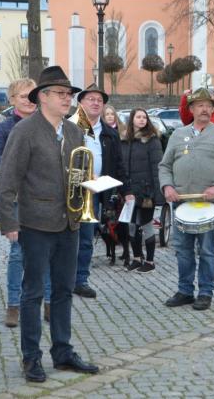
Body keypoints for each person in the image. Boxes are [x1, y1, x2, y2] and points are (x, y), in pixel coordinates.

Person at [0, 66, 100, 383]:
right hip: (36, 224)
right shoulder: (24, 131)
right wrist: (9, 223)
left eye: (69, 94)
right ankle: (31, 357)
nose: (67, 99)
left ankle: (62, 351)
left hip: (69, 223)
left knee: (64, 290)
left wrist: (91, 184)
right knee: (33, 293)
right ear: (42, 97)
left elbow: (79, 175)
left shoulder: (74, 132)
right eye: (60, 94)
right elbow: (7, 181)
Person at [159, 88, 214, 311]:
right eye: (200, 105)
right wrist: (167, 186)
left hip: (207, 203)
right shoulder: (178, 134)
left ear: (213, 110)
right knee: (183, 249)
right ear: (192, 109)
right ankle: (185, 290)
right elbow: (165, 166)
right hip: (181, 202)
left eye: (208, 106)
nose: (205, 109)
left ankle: (205, 292)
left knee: (206, 250)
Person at [0, 78, 53, 327]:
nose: (29, 100)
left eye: (32, 96)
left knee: (47, 253)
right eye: (23, 96)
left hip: (46, 198)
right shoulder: (4, 129)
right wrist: (17, 157)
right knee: (18, 253)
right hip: (17, 200)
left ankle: (49, 303)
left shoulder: (48, 124)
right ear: (12, 99)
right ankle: (14, 305)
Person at [68, 84, 130, 299]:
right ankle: (62, 278)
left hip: (92, 193)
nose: (96, 103)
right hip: (68, 190)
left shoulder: (110, 133)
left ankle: (80, 280)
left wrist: (127, 190)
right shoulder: (67, 126)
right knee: (65, 238)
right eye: (91, 99)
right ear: (80, 102)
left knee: (86, 239)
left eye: (99, 101)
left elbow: (119, 164)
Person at [120, 108, 165, 273]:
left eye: (144, 117)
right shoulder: (125, 140)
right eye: (138, 117)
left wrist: (158, 195)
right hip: (130, 191)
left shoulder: (152, 140)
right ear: (132, 119)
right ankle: (137, 258)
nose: (142, 120)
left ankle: (150, 261)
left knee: (146, 225)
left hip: (147, 191)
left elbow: (157, 167)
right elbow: (121, 166)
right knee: (132, 225)